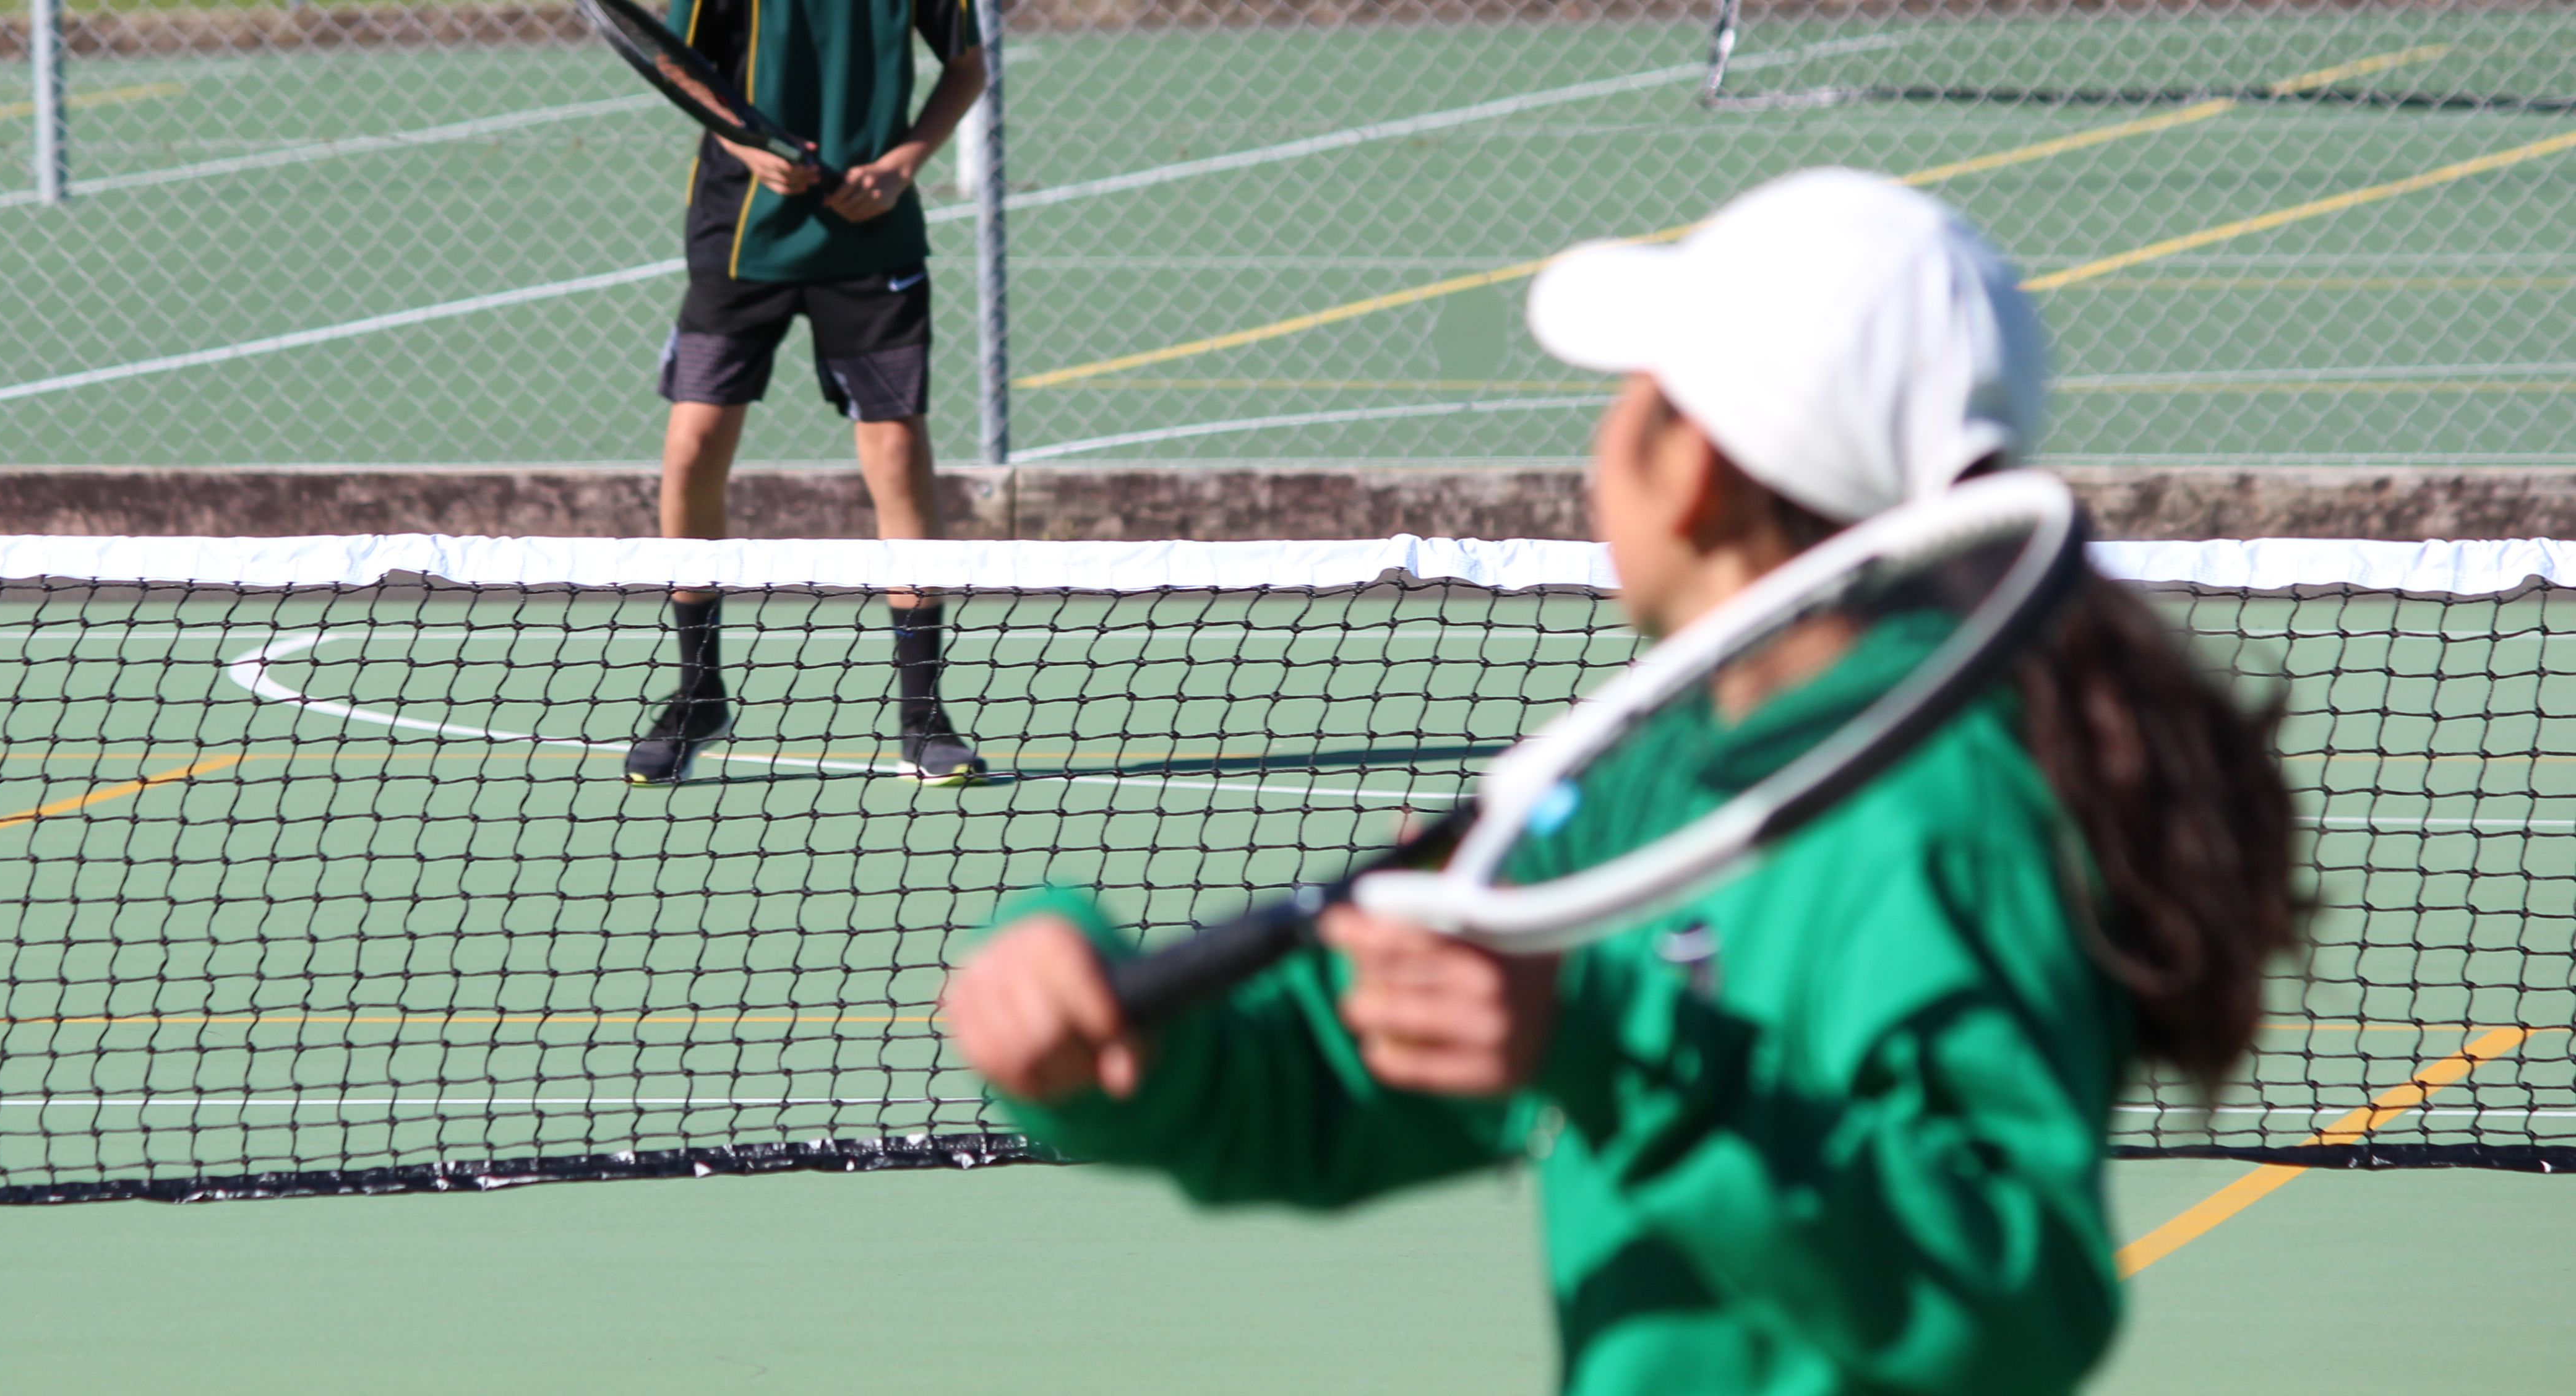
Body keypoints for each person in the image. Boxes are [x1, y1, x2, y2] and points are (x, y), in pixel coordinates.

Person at [942, 169, 2303, 1396]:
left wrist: (1613, 1050)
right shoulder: (1648, 781)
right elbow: (1341, 1075)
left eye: (1629, 394)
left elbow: (2019, 1305)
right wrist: (1114, 1041)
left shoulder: (1950, 819)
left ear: (1693, 468)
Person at [628, 0, 994, 788]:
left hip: (871, 238)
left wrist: (907, 159)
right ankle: (698, 689)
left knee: (897, 455)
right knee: (694, 445)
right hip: (741, 232)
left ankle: (924, 714)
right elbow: (685, 68)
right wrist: (748, 150)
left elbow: (966, 63)